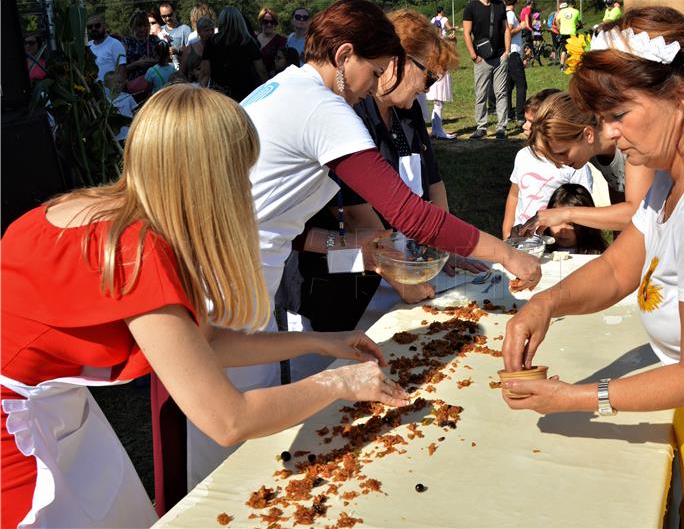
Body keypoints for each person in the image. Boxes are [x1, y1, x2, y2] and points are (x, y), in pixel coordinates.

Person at [175, 0, 540, 503]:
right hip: (231, 281)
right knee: (231, 441)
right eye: (373, 70)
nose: (374, 85)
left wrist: (350, 245)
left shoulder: (285, 87)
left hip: (233, 269)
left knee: (231, 433)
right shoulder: (323, 106)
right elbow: (410, 213)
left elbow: (282, 213)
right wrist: (505, 253)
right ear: (344, 55)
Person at [0, 84, 409, 529]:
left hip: (56, 410)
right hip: (18, 440)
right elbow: (227, 419)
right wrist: (340, 384)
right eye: (240, 173)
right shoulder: (136, 253)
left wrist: (323, 343)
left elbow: (205, 345)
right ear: (208, 178)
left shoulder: (94, 207)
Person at [501, 7, 684, 528]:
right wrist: (547, 304)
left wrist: (573, 398)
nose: (612, 136)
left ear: (682, 98)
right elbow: (621, 266)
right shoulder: (676, 170)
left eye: (621, 114)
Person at [296, 9, 486, 341]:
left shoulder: (408, 112)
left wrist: (444, 246)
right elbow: (356, 214)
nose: (428, 90)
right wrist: (403, 281)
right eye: (429, 78)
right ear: (399, 61)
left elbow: (433, 184)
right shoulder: (349, 111)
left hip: (402, 270)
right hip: (344, 282)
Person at [519, 90, 655, 235]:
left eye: (562, 153)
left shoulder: (632, 141)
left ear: (588, 134)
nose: (560, 163)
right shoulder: (595, 152)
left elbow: (637, 213)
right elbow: (620, 202)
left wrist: (566, 214)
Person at [502, 89, 592, 239]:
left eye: (531, 122)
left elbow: (584, 206)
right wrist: (506, 231)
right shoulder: (523, 156)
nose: (525, 126)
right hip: (521, 238)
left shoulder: (573, 163)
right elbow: (514, 195)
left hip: (556, 241)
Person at [463, 0, 512, 140]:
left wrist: (507, 52)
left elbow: (506, 29)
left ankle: (501, 127)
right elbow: (467, 32)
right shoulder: (471, 6)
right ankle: (481, 127)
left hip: (500, 57)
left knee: (501, 93)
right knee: (481, 94)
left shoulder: (499, 5)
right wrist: (473, 55)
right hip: (481, 58)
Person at [201, 6, 267, 102]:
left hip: (219, 93)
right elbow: (261, 71)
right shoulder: (248, 42)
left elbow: (205, 72)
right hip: (245, 93)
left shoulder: (212, 41)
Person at [542, 184, 606, 254]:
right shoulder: (541, 251)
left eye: (570, 224)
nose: (563, 230)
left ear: (588, 224)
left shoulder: (597, 255)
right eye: (557, 222)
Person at [427, 5, 457, 139]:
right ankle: (438, 130)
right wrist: (452, 40)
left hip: (436, 75)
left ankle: (436, 129)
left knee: (437, 104)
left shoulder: (432, 43)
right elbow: (451, 56)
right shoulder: (440, 43)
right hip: (440, 75)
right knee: (438, 103)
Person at [505, 0, 528, 127]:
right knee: (521, 85)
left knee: (508, 87)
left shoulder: (505, 13)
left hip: (508, 54)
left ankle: (508, 113)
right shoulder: (510, 14)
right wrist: (521, 26)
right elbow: (508, 31)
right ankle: (519, 115)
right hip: (513, 54)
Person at [87, 14, 127, 85]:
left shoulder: (115, 44)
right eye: (90, 27)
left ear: (104, 26)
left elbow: (122, 72)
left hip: (110, 93)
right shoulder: (87, 46)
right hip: (92, 92)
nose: (93, 29)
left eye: (97, 25)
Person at [124, 11, 160, 82]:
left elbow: (163, 61)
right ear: (132, 26)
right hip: (134, 83)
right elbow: (121, 69)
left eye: (145, 25)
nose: (142, 29)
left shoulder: (154, 39)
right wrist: (137, 64)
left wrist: (153, 61)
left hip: (154, 82)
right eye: (139, 26)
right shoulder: (127, 42)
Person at [104, 70, 137, 141]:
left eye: (119, 82)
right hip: (114, 137)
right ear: (106, 85)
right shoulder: (105, 100)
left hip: (129, 134)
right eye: (113, 83)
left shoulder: (128, 97)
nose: (117, 84)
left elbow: (135, 112)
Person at [159, 1, 192, 70]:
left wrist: (178, 52)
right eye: (164, 16)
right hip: (164, 70)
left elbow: (191, 53)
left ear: (175, 12)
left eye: (170, 15)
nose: (167, 18)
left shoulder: (185, 29)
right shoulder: (160, 30)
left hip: (181, 70)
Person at [257, 7, 287, 78]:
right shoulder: (254, 39)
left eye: (272, 22)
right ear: (261, 22)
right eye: (266, 22)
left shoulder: (281, 40)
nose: (269, 24)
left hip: (272, 80)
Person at [556, 1, 581, 71]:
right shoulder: (576, 11)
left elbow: (557, 21)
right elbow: (579, 23)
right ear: (573, 5)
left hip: (563, 32)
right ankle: (570, 63)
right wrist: (579, 26)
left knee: (563, 50)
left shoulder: (562, 11)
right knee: (572, 49)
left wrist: (559, 28)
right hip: (572, 33)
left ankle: (561, 66)